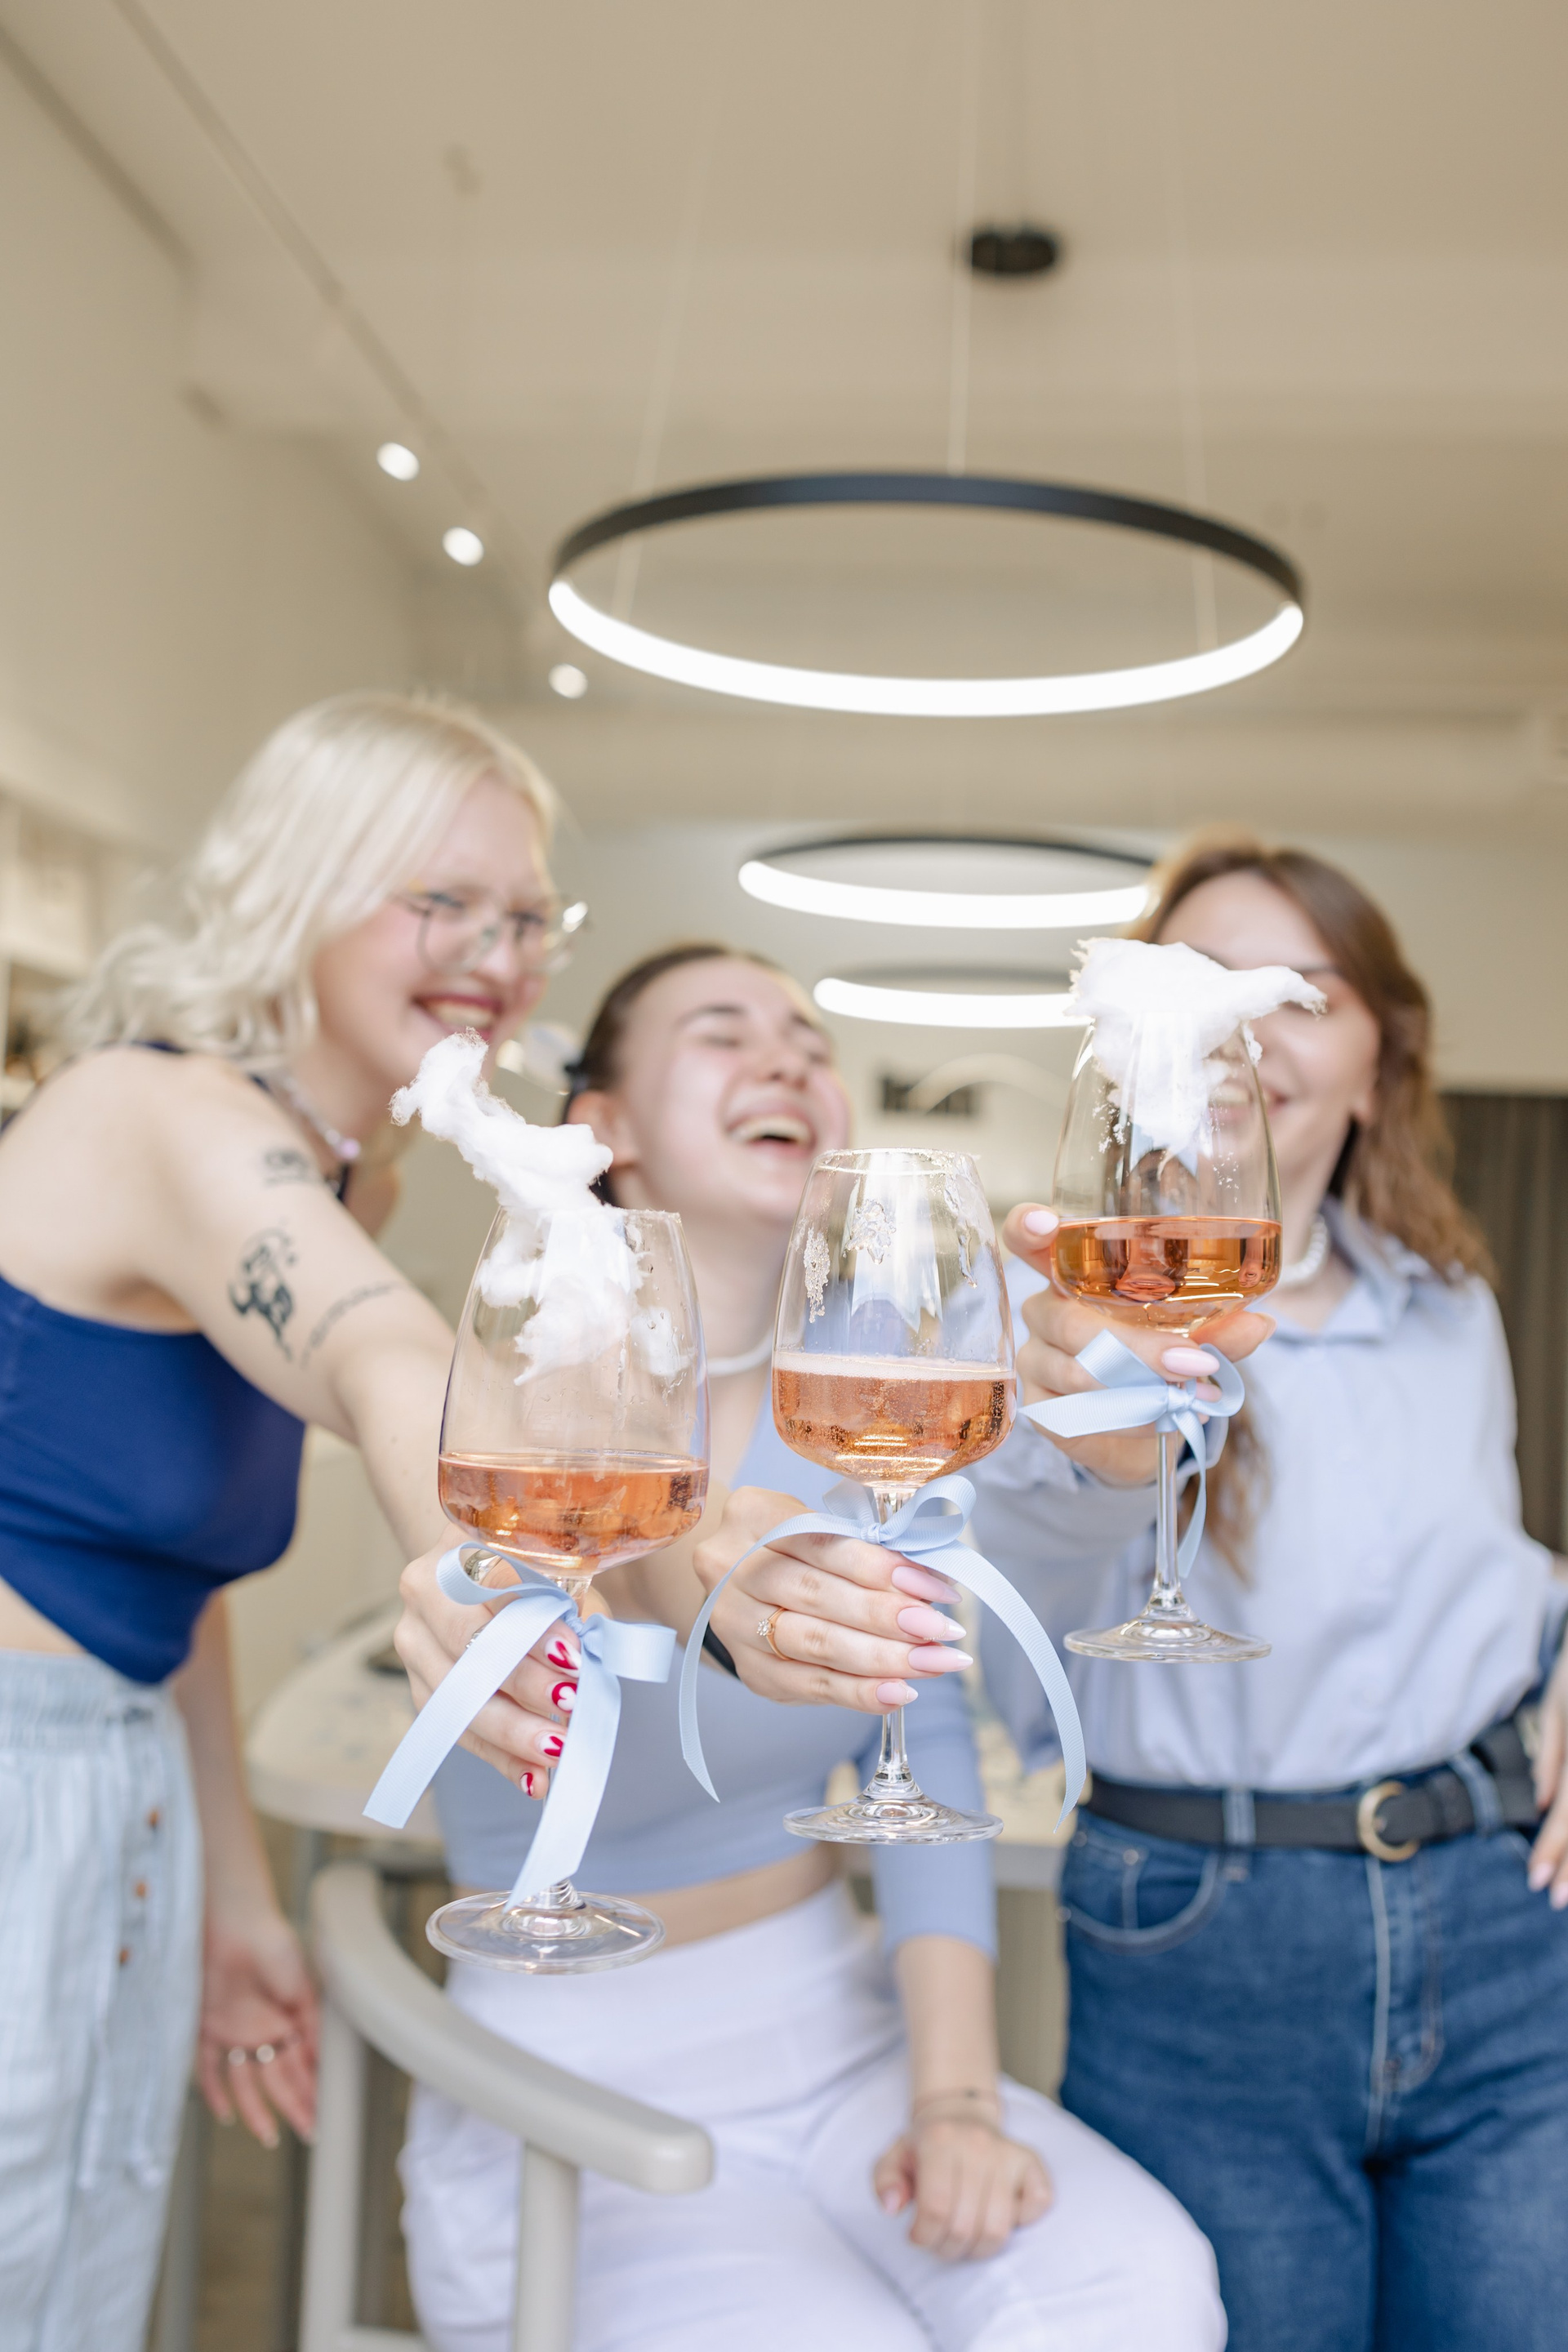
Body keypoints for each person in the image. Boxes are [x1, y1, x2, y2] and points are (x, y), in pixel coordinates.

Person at [396, 943, 1227, 2352]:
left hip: (839, 2021)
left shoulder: (866, 1383)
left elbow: (926, 1722)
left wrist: (953, 2098)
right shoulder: (513, 1377)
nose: (785, 1058)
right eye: (724, 1033)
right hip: (570, 2051)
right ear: (603, 1128)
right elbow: (596, 1580)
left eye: (805, 1037)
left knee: (1144, 2289)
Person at [0, 693, 590, 2352]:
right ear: (300, 888)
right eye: (440, 900)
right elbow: (378, 1350)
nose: (495, 955)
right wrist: (469, 1565)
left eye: (527, 916)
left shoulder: (342, 1176)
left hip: (113, 1774)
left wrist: (232, 1892)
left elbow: (162, 1581)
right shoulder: (160, 1115)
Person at [963, 837, 1568, 2352]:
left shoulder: (1448, 1303)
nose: (1240, 1032)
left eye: (1294, 993)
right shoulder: (1052, 1314)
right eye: (1197, 988)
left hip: (1502, 1918)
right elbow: (1020, 1585)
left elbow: (1496, 1578)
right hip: (1202, 1941)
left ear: (1379, 1062)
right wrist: (1098, 1448)